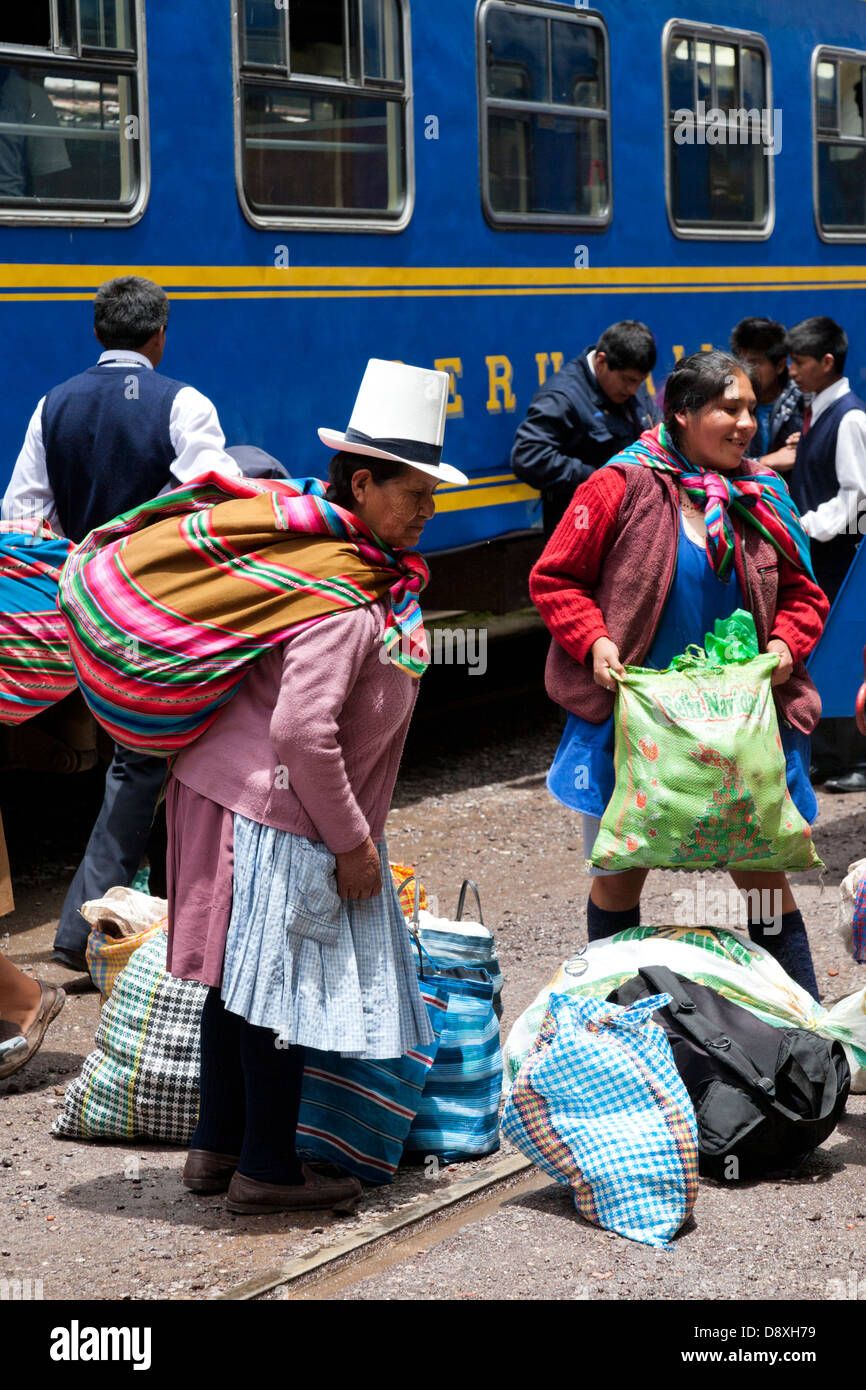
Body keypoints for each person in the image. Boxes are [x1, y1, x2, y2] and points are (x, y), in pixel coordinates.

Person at [164, 359, 468, 1214]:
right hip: (272, 809)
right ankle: (266, 1170)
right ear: (362, 482)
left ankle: (216, 1150)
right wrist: (353, 843)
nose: (426, 511)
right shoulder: (341, 590)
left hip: (229, 792)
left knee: (237, 979)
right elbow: (304, 731)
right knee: (277, 988)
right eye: (415, 493)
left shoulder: (340, 562)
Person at [531, 350, 829, 999]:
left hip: (741, 729)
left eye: (752, 408)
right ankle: (612, 1021)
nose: (748, 423)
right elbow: (555, 578)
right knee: (620, 875)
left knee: (762, 876)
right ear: (683, 413)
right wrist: (595, 642)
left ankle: (805, 1024)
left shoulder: (765, 494)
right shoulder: (621, 484)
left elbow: (807, 593)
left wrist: (785, 648)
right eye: (730, 408)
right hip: (641, 727)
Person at [2, 275, 243, 974]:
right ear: (160, 333)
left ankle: (169, 910)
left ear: (99, 335)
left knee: (137, 761)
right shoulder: (184, 402)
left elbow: (24, 516)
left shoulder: (54, 405)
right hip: (160, 615)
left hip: (85, 611)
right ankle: (80, 938)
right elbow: (215, 495)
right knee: (149, 763)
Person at [787, 316, 866, 792]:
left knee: (845, 651)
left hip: (842, 556)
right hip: (823, 557)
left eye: (799, 363)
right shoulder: (818, 410)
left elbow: (855, 495)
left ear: (828, 362)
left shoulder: (851, 418)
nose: (791, 372)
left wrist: (805, 527)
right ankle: (831, 756)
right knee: (822, 647)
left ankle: (855, 759)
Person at [510, 320, 659, 538]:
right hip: (581, 529)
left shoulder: (629, 384)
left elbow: (655, 426)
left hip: (627, 524)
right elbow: (527, 456)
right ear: (601, 362)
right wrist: (599, 479)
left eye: (640, 381)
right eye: (628, 381)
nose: (634, 389)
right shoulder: (563, 397)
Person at [729, 317, 805, 469]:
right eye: (741, 362)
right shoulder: (727, 401)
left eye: (754, 363)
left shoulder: (804, 402)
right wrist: (765, 462)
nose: (746, 370)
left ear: (780, 365)